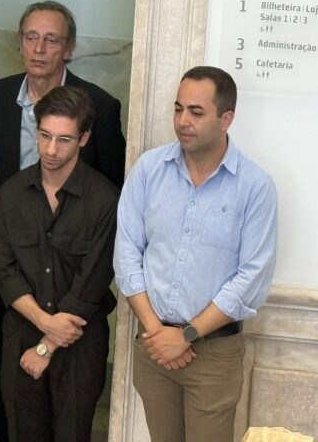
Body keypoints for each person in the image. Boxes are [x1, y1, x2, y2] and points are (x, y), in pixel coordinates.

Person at [0, 0, 125, 441]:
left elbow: (109, 194)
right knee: (11, 385)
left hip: (74, 280)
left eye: (51, 39)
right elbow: (0, 173)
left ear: (69, 48)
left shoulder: (100, 108)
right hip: (19, 270)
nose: (39, 48)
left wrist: (49, 338)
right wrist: (40, 324)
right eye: (31, 37)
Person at [114, 66, 278, 442]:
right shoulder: (149, 170)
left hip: (214, 354)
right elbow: (127, 252)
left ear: (226, 119)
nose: (182, 121)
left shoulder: (255, 187)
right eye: (178, 109)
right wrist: (157, 332)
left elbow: (252, 278)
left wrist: (187, 334)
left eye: (196, 112)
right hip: (154, 346)